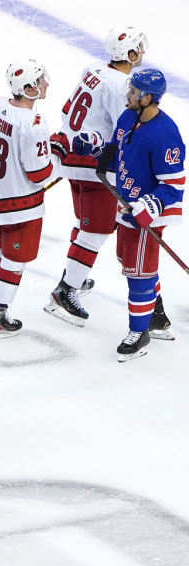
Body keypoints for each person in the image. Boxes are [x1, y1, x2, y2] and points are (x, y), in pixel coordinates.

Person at [46, 28, 172, 338]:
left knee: (90, 224)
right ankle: (66, 291)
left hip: (73, 155)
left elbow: (67, 110)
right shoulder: (121, 87)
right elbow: (126, 131)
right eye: (137, 47)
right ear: (130, 54)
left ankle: (75, 275)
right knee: (97, 229)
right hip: (95, 167)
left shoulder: (93, 69)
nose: (142, 50)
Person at [93, 69, 184, 361]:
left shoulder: (165, 134)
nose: (127, 95)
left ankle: (140, 332)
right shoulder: (127, 117)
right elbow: (118, 149)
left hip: (147, 218)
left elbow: (174, 185)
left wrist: (147, 207)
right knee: (126, 260)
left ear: (148, 98)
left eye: (133, 92)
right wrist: (96, 151)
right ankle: (155, 316)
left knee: (139, 271)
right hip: (126, 207)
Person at [0, 59, 55, 339]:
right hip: (19, 206)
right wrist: (57, 156)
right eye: (41, 80)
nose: (46, 84)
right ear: (30, 88)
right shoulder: (33, 124)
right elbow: (38, 174)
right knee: (13, 260)